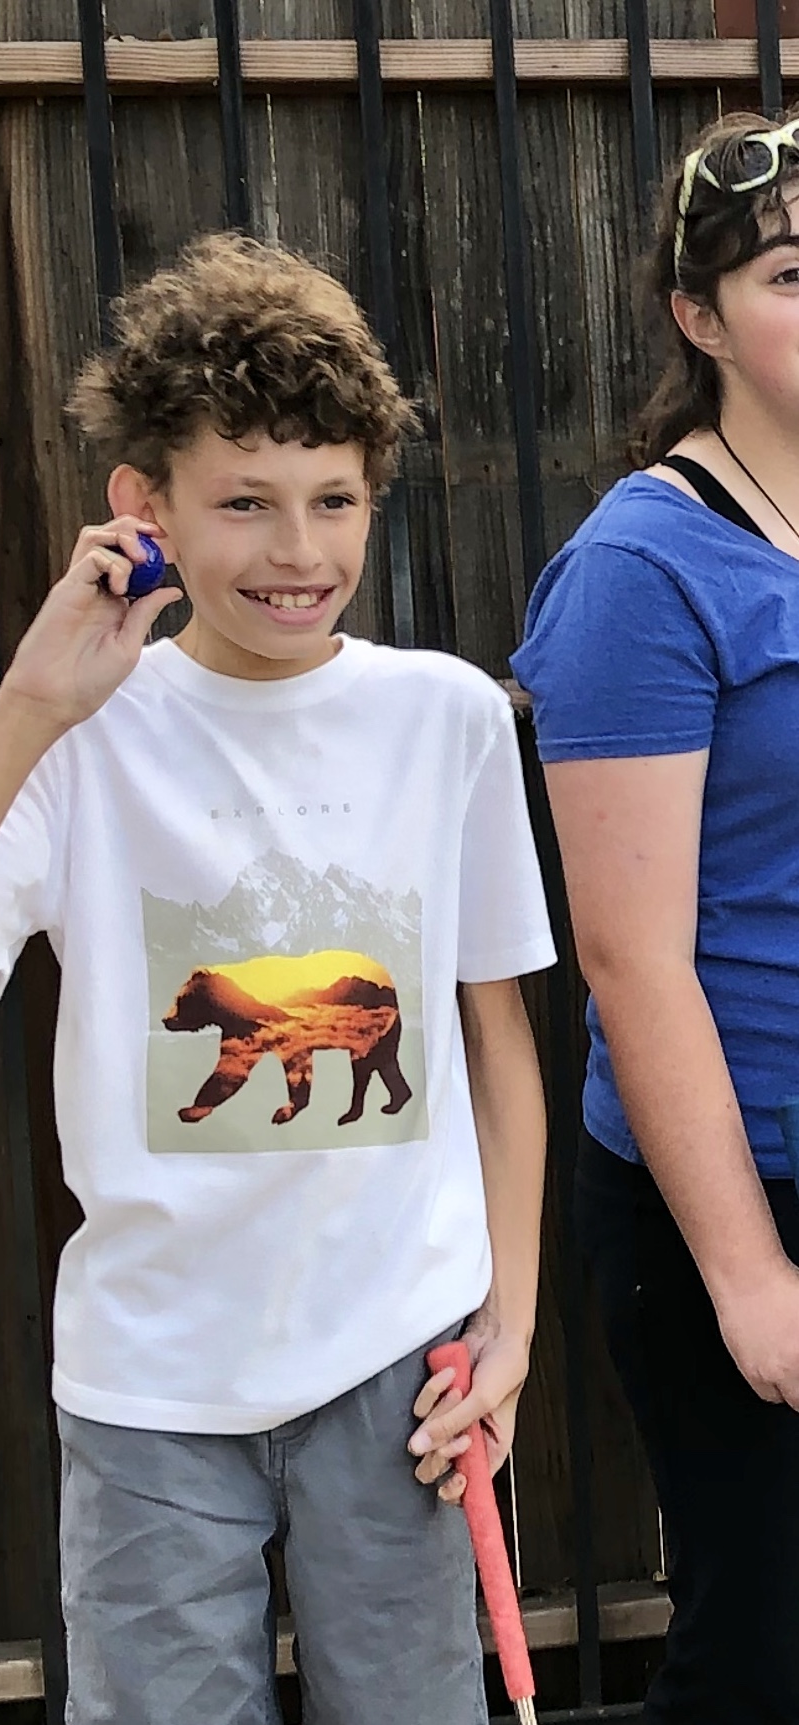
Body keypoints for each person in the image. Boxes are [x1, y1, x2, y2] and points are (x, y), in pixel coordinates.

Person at [0, 233, 554, 1725]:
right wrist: (30, 706)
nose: (299, 551)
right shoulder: (81, 735)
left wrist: (512, 1325)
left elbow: (497, 1046)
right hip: (149, 1387)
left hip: (402, 1367)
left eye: (333, 499)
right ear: (142, 508)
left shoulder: (451, 720)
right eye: (243, 502)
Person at [512, 111, 799, 1725]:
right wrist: (751, 1277)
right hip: (745, 1189)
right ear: (700, 317)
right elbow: (629, 960)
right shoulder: (644, 568)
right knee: (765, 1658)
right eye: (790, 274)